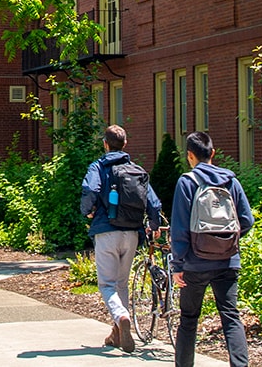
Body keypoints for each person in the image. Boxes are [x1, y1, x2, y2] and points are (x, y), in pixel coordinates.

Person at [169, 132, 254, 367]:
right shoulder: (231, 181)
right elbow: (246, 220)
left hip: (194, 263)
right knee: (231, 316)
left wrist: (178, 265)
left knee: (188, 318)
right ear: (212, 154)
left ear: (190, 156)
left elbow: (180, 228)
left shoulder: (187, 182)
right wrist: (226, 242)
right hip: (228, 261)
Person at [80, 125, 163, 353]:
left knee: (107, 284)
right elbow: (153, 201)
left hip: (106, 231)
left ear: (105, 144)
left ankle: (121, 316)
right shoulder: (136, 170)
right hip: (132, 233)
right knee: (121, 284)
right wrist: (153, 224)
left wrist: (87, 210)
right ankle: (117, 333)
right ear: (125, 145)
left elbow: (90, 188)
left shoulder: (99, 166)